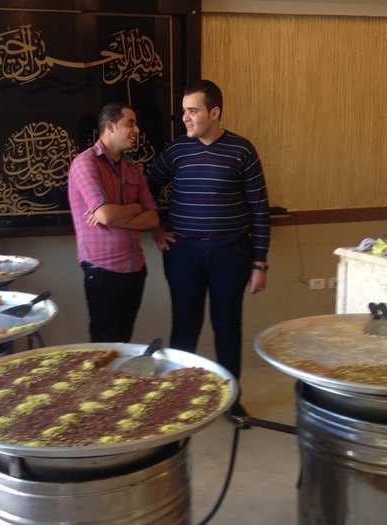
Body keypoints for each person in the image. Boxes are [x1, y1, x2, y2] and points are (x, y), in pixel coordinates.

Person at [149, 80, 270, 416]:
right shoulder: (176, 151)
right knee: (184, 326)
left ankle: (231, 400)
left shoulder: (242, 150)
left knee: (227, 326)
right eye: (184, 111)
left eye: (193, 111)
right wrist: (157, 228)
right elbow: (146, 190)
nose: (185, 118)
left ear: (214, 112)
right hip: (183, 253)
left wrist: (260, 264)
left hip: (230, 254)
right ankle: (178, 398)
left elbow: (260, 207)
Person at [68, 103, 159, 343]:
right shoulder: (85, 163)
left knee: (124, 342)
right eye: (130, 124)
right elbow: (106, 214)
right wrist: (134, 209)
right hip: (102, 272)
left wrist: (125, 214)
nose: (137, 130)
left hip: (135, 270)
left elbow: (152, 218)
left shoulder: (133, 170)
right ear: (110, 126)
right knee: (104, 346)